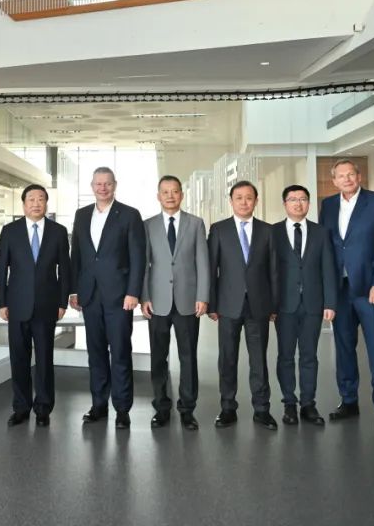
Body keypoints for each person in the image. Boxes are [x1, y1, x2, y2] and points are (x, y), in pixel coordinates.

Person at [319, 159, 374, 430]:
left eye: (351, 174)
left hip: (369, 289)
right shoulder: (328, 205)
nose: (347, 179)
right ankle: (349, 401)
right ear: (334, 181)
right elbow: (327, 247)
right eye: (341, 176)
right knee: (343, 348)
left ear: (359, 176)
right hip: (340, 291)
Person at [70, 167, 145, 430]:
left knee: (121, 352)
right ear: (92, 186)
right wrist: (74, 290)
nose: (103, 188)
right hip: (90, 295)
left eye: (107, 183)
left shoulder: (129, 215)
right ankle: (98, 405)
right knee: (96, 352)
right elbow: (77, 255)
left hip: (119, 296)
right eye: (98, 184)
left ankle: (122, 409)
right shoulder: (81, 215)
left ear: (115, 185)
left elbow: (138, 256)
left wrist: (133, 292)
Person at [0, 184, 72, 427]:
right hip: (16, 305)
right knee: (19, 358)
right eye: (31, 199)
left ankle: (43, 409)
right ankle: (21, 407)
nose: (36, 203)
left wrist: (62, 302)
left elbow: (65, 269)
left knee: (45, 359)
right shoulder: (10, 231)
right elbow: (1, 269)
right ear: (24, 204)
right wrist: (2, 302)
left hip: (47, 305)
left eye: (41, 199)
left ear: (46, 203)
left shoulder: (58, 232)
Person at [208, 180, 279, 430]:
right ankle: (228, 408)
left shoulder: (268, 231)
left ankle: (262, 409)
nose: (244, 202)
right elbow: (211, 268)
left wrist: (274, 305)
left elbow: (274, 271)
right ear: (231, 201)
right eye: (239, 197)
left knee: (259, 359)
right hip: (228, 305)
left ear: (256, 201)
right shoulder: (219, 229)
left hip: (259, 305)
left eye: (249, 197)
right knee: (227, 358)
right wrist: (212, 304)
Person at [141, 175, 209, 431]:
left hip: (188, 300)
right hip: (157, 301)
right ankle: (161, 407)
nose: (170, 196)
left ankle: (187, 409)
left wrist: (202, 296)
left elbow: (203, 263)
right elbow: (144, 264)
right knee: (158, 357)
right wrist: (144, 297)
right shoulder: (148, 225)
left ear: (182, 194)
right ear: (158, 196)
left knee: (188, 356)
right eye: (165, 192)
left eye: (175, 191)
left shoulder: (196, 223)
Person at [273, 185, 337, 427]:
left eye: (303, 199)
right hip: (283, 305)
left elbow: (328, 268)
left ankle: (308, 404)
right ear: (285, 204)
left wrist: (330, 302)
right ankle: (289, 404)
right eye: (293, 199)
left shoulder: (321, 233)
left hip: (313, 304)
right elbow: (269, 271)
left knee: (309, 356)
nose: (298, 203)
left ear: (309, 203)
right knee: (285, 356)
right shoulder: (273, 232)